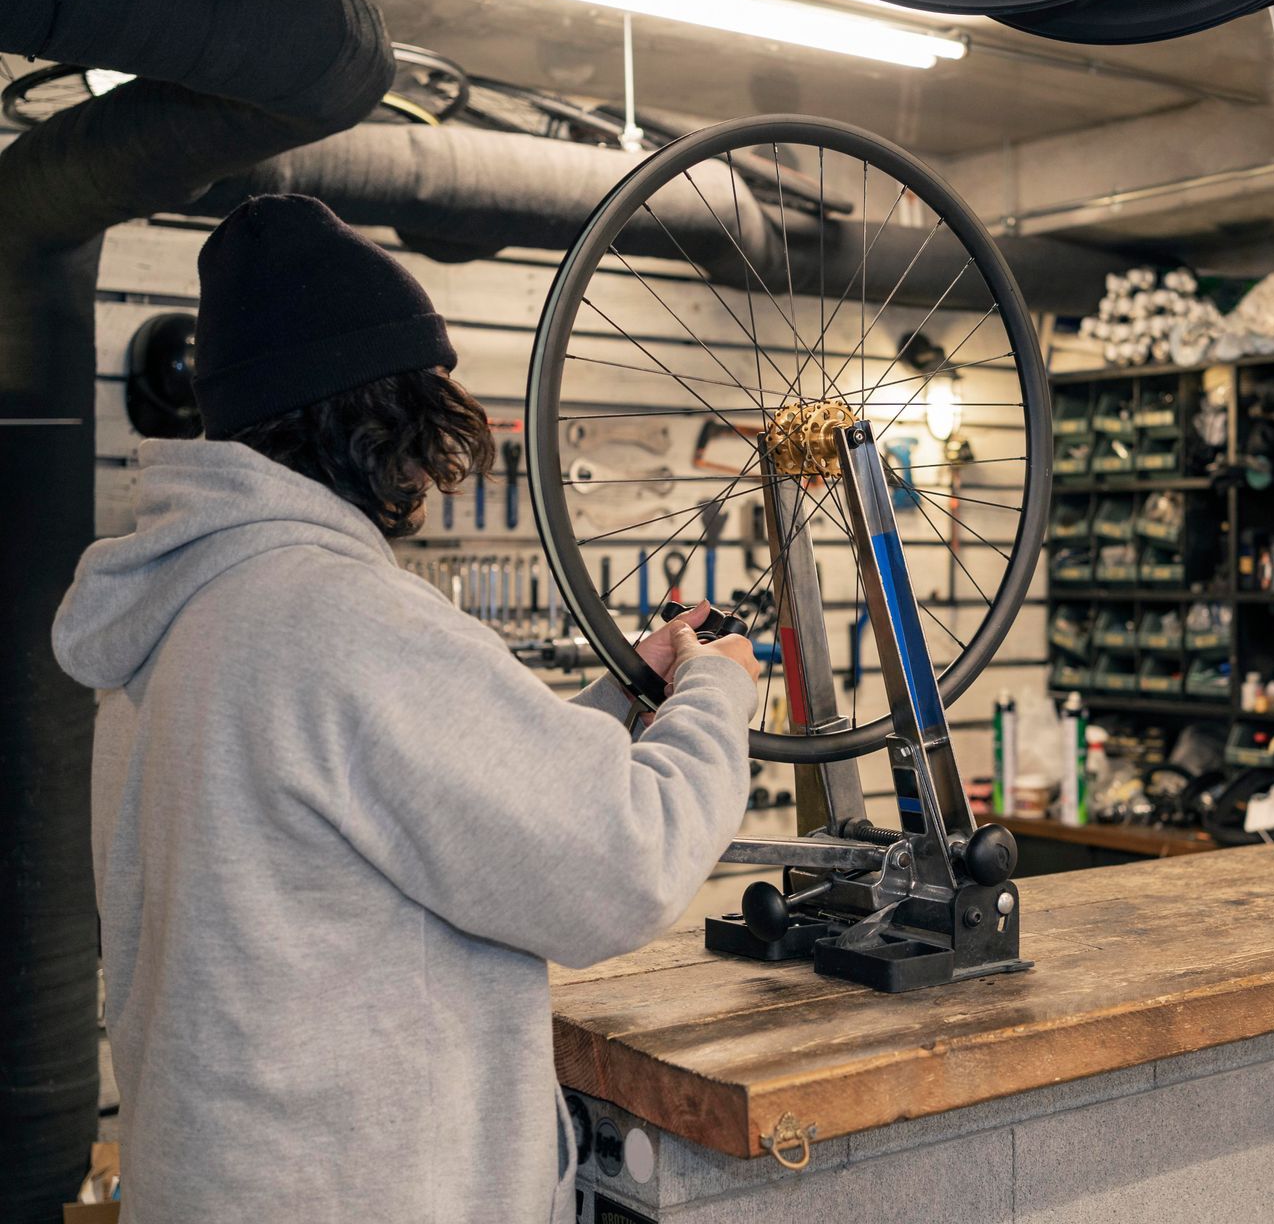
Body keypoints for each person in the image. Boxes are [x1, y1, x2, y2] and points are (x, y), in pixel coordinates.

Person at [51, 195, 758, 1222]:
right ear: (375, 417)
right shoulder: (342, 619)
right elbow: (622, 861)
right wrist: (719, 689)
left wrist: (624, 696)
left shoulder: (177, 618)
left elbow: (403, 808)